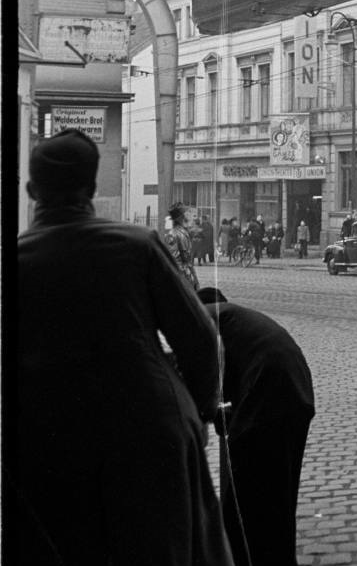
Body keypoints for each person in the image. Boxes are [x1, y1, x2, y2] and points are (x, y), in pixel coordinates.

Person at [17, 129, 233, 566]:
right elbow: (199, 339)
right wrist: (204, 410)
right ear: (94, 188)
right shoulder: (136, 245)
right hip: (150, 429)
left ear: (31, 189)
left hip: (49, 439)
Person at [197, 287, 315, 566]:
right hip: (295, 395)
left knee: (243, 496)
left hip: (269, 397)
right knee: (278, 495)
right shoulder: (237, 320)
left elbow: (210, 381)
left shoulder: (208, 317)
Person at [165, 201, 199, 288]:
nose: (191, 216)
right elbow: (173, 260)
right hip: (179, 278)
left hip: (186, 276)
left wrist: (194, 278)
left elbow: (188, 261)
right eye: (188, 213)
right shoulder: (173, 234)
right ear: (182, 217)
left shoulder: (184, 232)